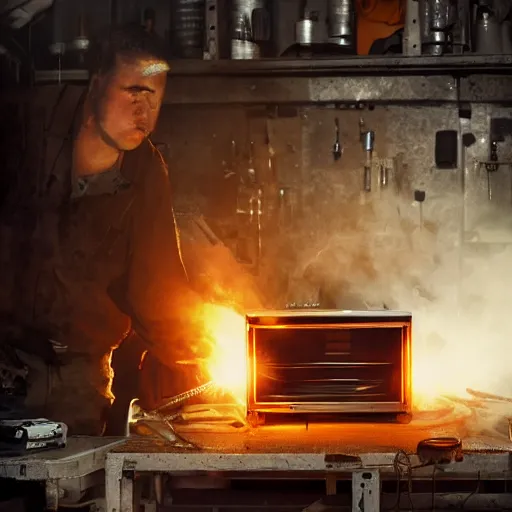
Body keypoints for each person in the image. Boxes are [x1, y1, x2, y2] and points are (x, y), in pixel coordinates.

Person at [0, 24, 205, 435]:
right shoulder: (25, 127)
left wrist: (200, 354)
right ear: (97, 85)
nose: (144, 113)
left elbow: (157, 288)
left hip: (79, 381)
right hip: (4, 362)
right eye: (133, 93)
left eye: (155, 99)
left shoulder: (146, 172)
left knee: (68, 491)